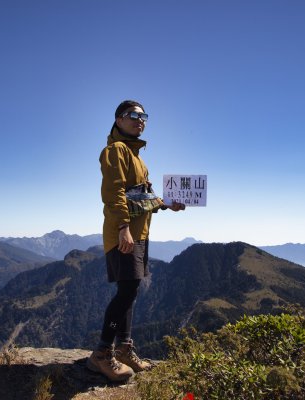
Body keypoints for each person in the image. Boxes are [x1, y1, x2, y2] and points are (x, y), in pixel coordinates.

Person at [86, 100, 185, 382]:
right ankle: (103, 353)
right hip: (124, 233)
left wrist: (167, 204)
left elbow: (140, 196)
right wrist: (124, 228)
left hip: (138, 233)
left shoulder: (137, 157)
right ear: (118, 120)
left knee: (131, 291)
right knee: (126, 292)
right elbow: (114, 192)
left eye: (143, 116)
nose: (139, 120)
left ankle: (125, 349)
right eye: (132, 115)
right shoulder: (115, 151)